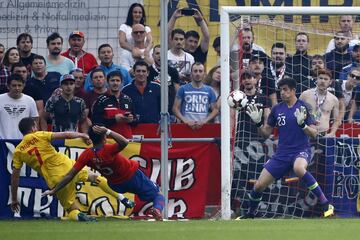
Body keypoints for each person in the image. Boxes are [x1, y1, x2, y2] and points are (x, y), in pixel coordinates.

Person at [240, 77, 334, 219]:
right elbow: (266, 133)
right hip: (282, 154)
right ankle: (250, 214)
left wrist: (303, 125)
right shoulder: (277, 109)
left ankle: (326, 204)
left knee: (299, 168)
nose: (282, 93)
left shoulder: (304, 107)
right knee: (259, 185)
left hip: (301, 150)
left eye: (285, 90)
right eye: (280, 90)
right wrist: (258, 123)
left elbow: (314, 133)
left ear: (293, 91)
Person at [11, 117, 134, 221]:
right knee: (94, 178)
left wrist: (15, 199)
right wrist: (82, 134)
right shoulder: (39, 135)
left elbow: (15, 176)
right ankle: (121, 198)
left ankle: (80, 215)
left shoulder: (18, 151)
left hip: (56, 179)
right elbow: (66, 134)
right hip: (68, 167)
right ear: (33, 127)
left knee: (71, 209)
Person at [42, 125, 165, 221]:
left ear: (90, 139)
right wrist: (108, 130)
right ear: (105, 138)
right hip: (132, 176)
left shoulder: (87, 155)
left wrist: (54, 190)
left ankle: (123, 198)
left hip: (116, 185)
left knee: (94, 176)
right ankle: (157, 209)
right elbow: (124, 142)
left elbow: (70, 175)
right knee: (158, 195)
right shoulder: (108, 149)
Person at [173, 62, 218, 129]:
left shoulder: (210, 90)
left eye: (200, 71)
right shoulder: (182, 89)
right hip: (185, 127)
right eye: (195, 71)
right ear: (191, 73)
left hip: (203, 127)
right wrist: (186, 121)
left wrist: (204, 121)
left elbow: (215, 110)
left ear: (204, 73)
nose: (198, 74)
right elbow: (175, 108)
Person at [91, 71, 135, 139]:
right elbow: (96, 123)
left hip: (127, 140)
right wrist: (114, 120)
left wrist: (131, 120)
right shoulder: (100, 100)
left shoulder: (128, 99)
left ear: (121, 83)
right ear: (107, 82)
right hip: (109, 141)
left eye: (117, 81)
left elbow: (136, 121)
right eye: (112, 80)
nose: (115, 83)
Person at [299, 69, 340, 137]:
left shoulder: (334, 99)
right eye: (320, 78)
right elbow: (296, 113)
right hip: (305, 134)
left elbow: (336, 120)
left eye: (326, 79)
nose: (323, 81)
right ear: (316, 80)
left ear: (330, 82)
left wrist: (332, 133)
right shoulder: (305, 94)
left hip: (323, 135)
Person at [148, 44, 180, 122]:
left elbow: (178, 94)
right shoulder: (147, 71)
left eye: (162, 53)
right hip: (153, 111)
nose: (160, 56)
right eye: (157, 53)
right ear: (152, 55)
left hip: (170, 112)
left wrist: (178, 113)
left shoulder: (173, 71)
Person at [0, 74, 38, 139]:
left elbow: (35, 120)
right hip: (2, 141)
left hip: (24, 141)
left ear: (23, 86)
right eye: (14, 85)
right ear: (8, 86)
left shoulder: (30, 100)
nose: (17, 88)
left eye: (19, 85)